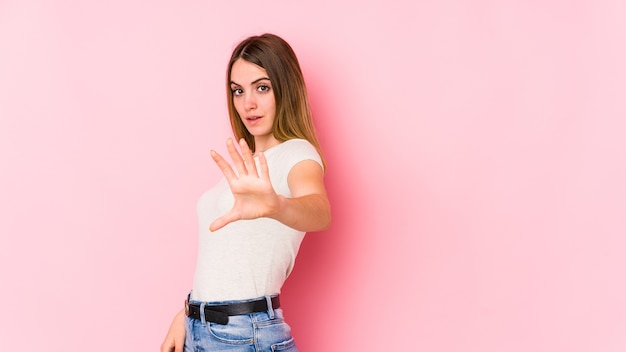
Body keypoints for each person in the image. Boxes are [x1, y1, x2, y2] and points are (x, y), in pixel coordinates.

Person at [160, 33, 331, 352]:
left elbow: (319, 209)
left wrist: (277, 205)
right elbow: (227, 259)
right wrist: (185, 313)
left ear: (286, 89)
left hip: (242, 335)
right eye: (238, 91)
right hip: (201, 328)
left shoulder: (297, 154)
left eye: (262, 87)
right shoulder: (246, 169)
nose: (247, 103)